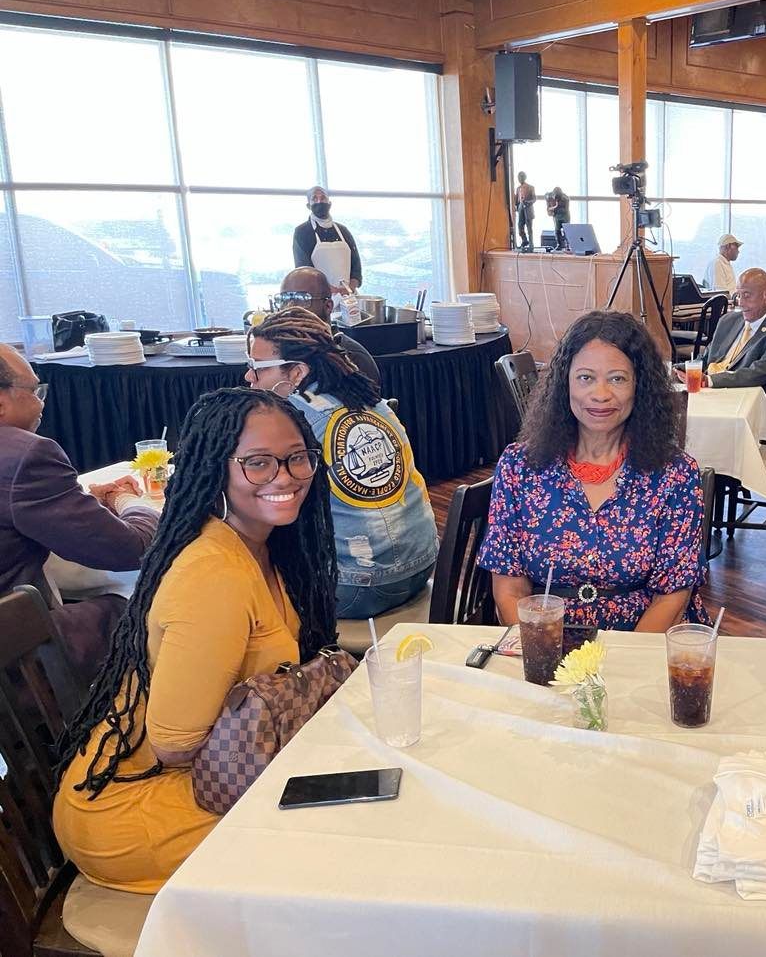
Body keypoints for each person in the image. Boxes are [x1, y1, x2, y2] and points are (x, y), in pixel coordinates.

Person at [53, 388, 336, 893]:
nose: (286, 477)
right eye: (258, 463)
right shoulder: (214, 576)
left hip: (214, 773)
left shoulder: (262, 546)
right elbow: (175, 744)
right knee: (332, 837)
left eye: (298, 458)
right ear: (214, 469)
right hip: (138, 807)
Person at [479, 312, 707, 632]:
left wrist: (616, 670)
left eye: (618, 378)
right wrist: (542, 655)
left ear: (640, 386)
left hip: (642, 641)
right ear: (565, 383)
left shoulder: (676, 475)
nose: (600, 394)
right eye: (586, 377)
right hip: (544, 636)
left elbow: (672, 596)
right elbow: (509, 588)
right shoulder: (520, 468)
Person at [247, 308, 438, 618]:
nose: (248, 376)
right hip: (423, 565)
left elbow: (265, 501)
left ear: (297, 373)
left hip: (357, 587)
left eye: (258, 368)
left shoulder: (291, 418)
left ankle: (294, 657)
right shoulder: (371, 400)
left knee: (251, 572)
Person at [0, 344, 159, 679]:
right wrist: (125, 500)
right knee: (152, 599)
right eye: (34, 391)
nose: (42, 402)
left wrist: (80, 504)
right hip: (20, 661)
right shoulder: (24, 456)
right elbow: (131, 549)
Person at [700, 268, 766, 403]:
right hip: (708, 392)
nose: (740, 302)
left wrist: (710, 381)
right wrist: (682, 370)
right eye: (738, 295)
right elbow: (705, 359)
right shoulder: (728, 321)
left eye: (746, 295)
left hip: (743, 399)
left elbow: (757, 373)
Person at [272, 266, 379, 382]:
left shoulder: (352, 359)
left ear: (328, 306)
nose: (290, 308)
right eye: (284, 299)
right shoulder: (277, 351)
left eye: (302, 298)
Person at [292, 186, 361, 294]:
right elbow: (304, 270)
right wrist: (330, 290)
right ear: (308, 206)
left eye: (323, 198)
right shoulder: (302, 232)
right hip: (319, 298)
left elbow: (356, 265)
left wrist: (350, 288)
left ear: (329, 203)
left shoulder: (343, 230)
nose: (319, 201)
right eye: (314, 199)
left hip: (348, 297)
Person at [514, 171, 536, 250]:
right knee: (520, 226)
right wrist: (515, 206)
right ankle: (524, 240)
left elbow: (534, 199)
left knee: (529, 227)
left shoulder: (531, 187)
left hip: (528, 208)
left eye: (521, 177)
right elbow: (516, 200)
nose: (520, 179)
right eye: (519, 177)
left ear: (524, 178)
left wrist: (527, 202)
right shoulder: (518, 188)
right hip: (520, 208)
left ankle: (531, 245)